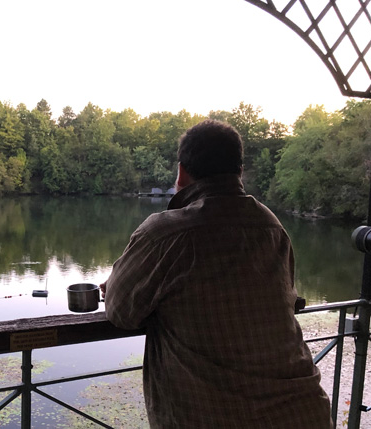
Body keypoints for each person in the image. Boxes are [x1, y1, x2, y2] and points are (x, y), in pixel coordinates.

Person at [100, 120, 332, 428]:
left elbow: (120, 311)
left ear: (182, 172)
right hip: (303, 413)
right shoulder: (271, 226)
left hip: (215, 417)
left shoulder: (164, 233)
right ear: (239, 171)